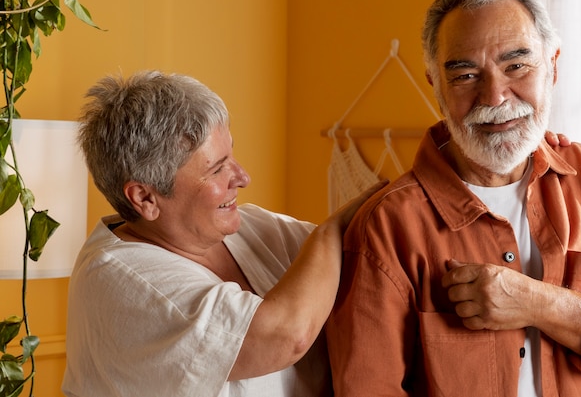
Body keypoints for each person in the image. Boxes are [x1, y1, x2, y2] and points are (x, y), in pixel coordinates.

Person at [325, 0, 581, 396]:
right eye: (466, 75)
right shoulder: (388, 225)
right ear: (436, 85)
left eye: (516, 66)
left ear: (553, 66)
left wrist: (534, 301)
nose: (496, 96)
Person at [61, 70, 385, 397]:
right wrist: (330, 228)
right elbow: (286, 336)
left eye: (231, 155)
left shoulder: (249, 228)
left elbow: (368, 256)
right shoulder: (120, 282)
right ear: (145, 198)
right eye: (217, 169)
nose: (242, 177)